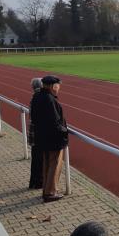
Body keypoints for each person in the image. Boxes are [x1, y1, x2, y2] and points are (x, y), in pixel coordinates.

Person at [31, 75, 68, 203]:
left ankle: (47, 190)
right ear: (53, 86)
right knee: (55, 164)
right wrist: (64, 131)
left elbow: (35, 118)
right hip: (53, 139)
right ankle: (50, 192)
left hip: (42, 138)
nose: (59, 89)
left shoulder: (37, 96)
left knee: (47, 163)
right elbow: (54, 122)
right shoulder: (49, 100)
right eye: (58, 86)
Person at [28, 78, 43, 189]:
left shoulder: (33, 98)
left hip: (34, 133)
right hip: (39, 133)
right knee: (40, 159)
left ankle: (34, 182)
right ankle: (39, 182)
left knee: (35, 158)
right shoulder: (40, 98)